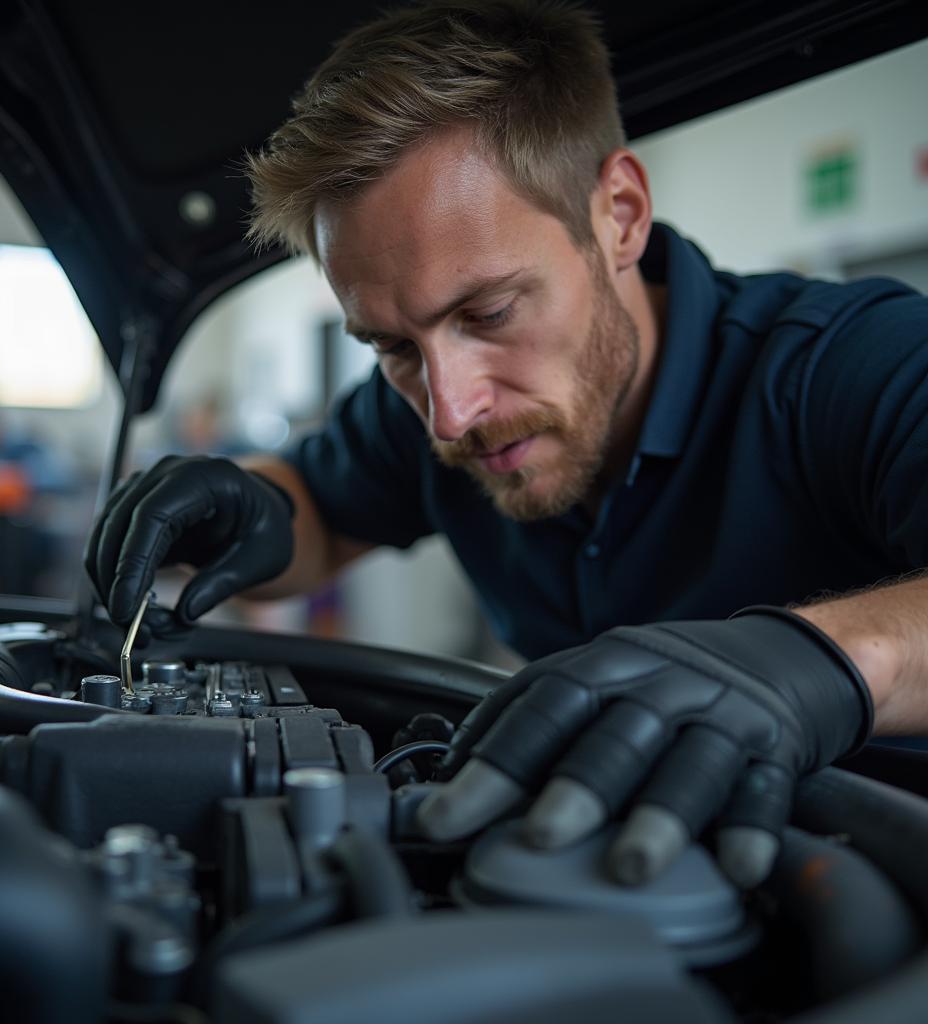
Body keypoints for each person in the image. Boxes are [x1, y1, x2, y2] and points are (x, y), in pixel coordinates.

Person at [85, 1, 928, 888]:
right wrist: (244, 506)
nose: (450, 413)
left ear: (620, 217)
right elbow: (317, 518)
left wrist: (823, 662)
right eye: (393, 346)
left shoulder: (854, 365)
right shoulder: (428, 408)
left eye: (487, 313)